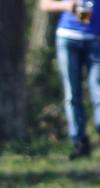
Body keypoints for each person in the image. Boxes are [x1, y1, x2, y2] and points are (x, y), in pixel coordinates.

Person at [40, 0, 100, 159]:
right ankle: (79, 143)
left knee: (98, 91)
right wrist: (67, 6)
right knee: (72, 95)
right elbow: (44, 4)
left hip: (96, 40)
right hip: (68, 38)